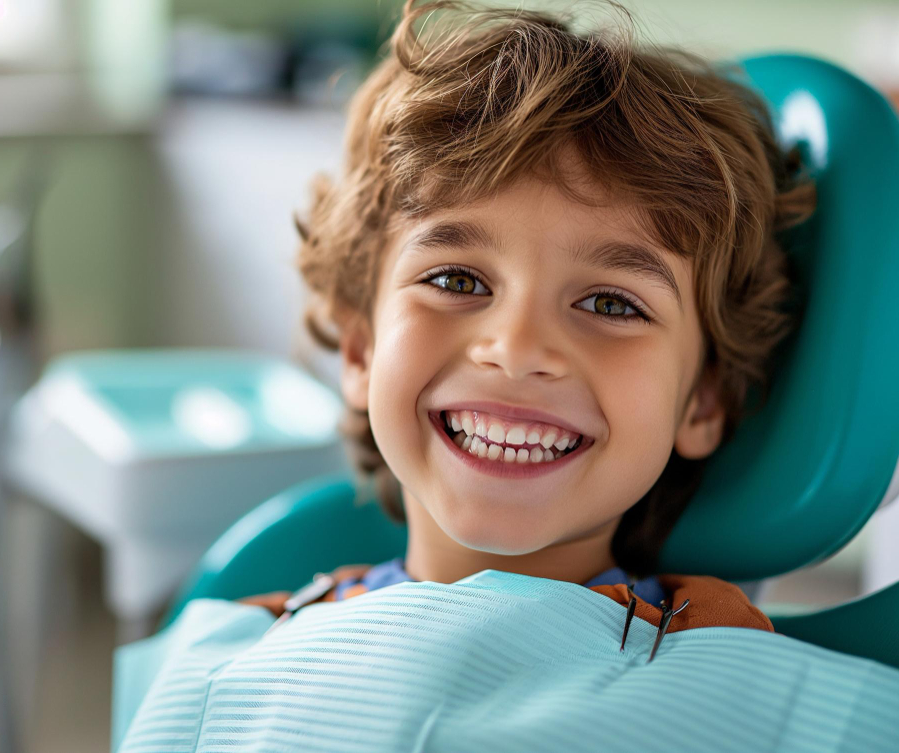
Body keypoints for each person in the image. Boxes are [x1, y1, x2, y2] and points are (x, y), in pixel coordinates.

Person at [240, 0, 816, 641]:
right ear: (360, 350)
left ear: (702, 399)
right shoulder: (241, 644)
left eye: (610, 304)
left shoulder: (721, 657)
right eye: (457, 281)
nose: (515, 349)